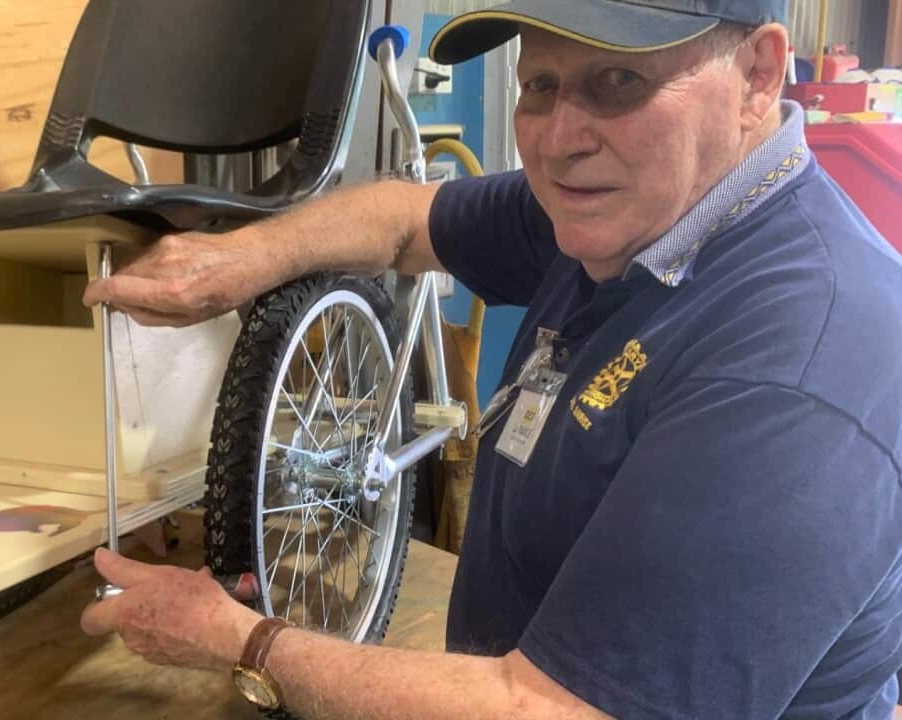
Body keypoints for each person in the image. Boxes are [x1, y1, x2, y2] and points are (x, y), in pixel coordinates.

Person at [79, 1, 902, 717]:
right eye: (539, 84)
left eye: (620, 82)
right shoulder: (623, 206)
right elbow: (406, 221)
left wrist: (246, 643)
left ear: (759, 73)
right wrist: (239, 262)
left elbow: (561, 710)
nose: (557, 141)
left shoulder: (799, 360)